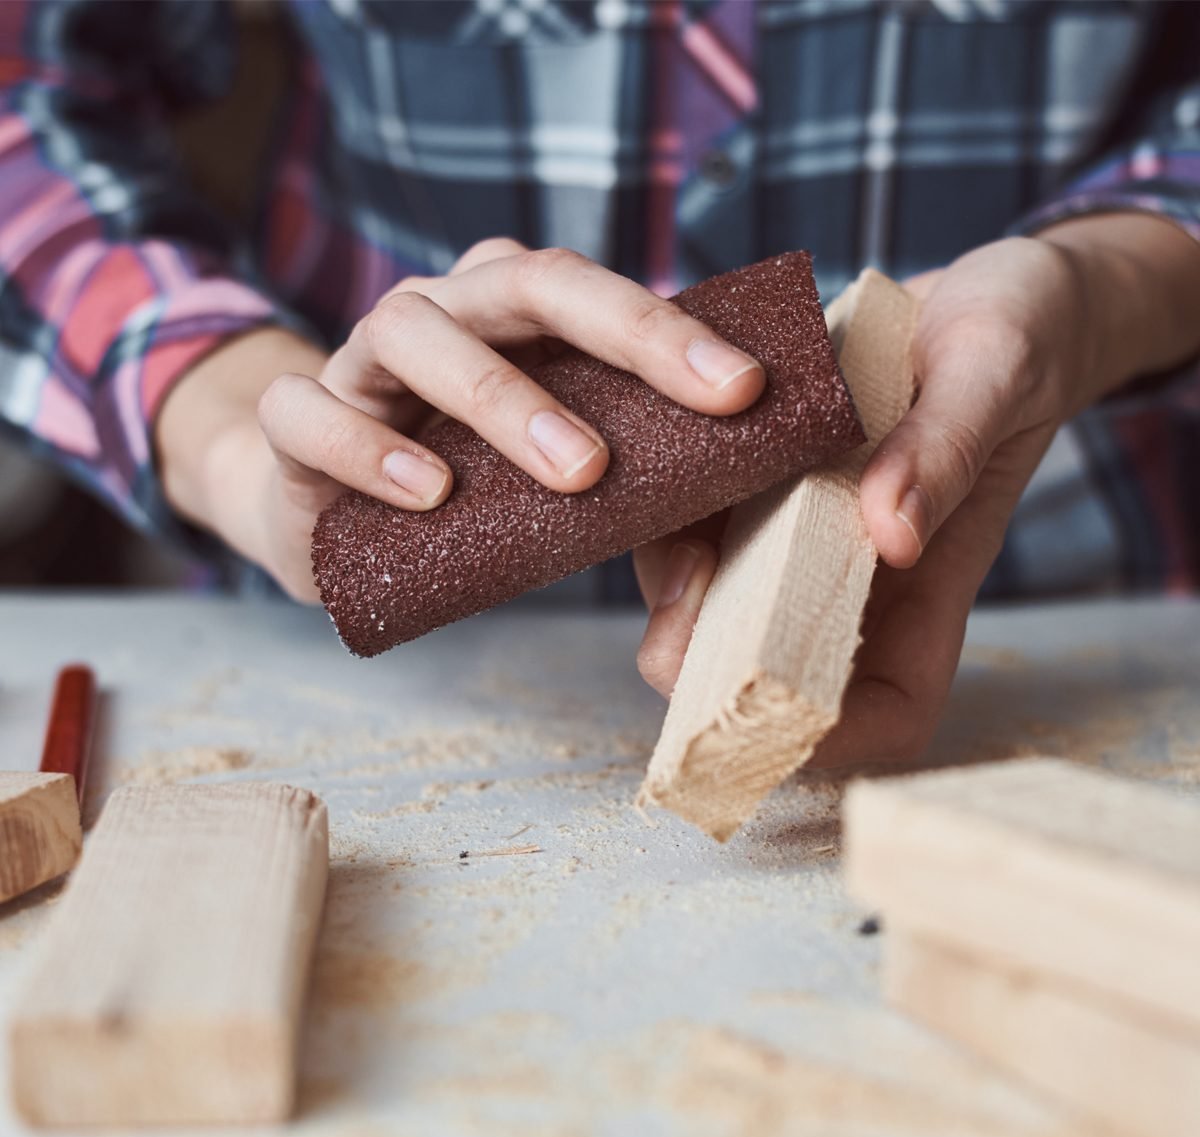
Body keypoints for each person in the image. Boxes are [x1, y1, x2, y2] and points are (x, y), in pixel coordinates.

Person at [1, 0, 1198, 766]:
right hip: (373, 693)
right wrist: (231, 440)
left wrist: (1105, 286)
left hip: (1075, 644)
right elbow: (29, 90)